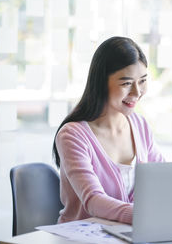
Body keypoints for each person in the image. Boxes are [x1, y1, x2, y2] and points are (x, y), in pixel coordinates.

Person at [53, 36, 164, 225]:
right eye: (127, 83)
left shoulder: (140, 125)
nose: (137, 92)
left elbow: (164, 177)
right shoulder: (72, 135)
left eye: (143, 81)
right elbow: (94, 201)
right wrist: (144, 215)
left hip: (129, 234)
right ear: (101, 83)